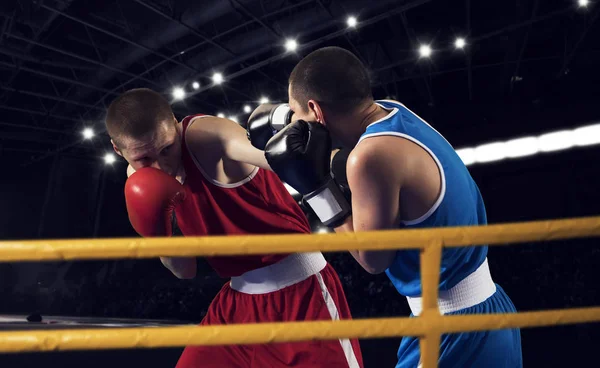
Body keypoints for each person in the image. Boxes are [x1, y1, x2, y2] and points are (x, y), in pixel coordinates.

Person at [252, 46, 523, 367]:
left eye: (299, 116)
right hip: (492, 308)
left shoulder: (369, 158)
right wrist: (287, 116)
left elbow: (373, 259)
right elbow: (346, 148)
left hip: (450, 331)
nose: (297, 126)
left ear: (315, 109)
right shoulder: (393, 111)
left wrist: (317, 190)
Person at [104, 88, 363, 368]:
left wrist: (307, 147)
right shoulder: (139, 182)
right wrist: (159, 231)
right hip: (237, 304)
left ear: (175, 126)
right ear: (118, 150)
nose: (161, 166)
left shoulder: (205, 135)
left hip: (301, 296)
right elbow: (184, 270)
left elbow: (280, 157)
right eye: (143, 159)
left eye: (167, 149)